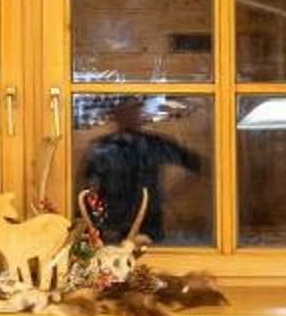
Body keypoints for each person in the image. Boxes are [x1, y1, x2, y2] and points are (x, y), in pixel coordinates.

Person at [78, 98, 207, 244]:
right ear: (116, 115)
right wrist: (96, 222)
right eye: (127, 111)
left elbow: (195, 164)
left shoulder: (154, 144)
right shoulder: (102, 148)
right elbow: (89, 189)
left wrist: (169, 196)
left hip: (149, 226)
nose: (132, 115)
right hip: (111, 229)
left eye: (135, 110)